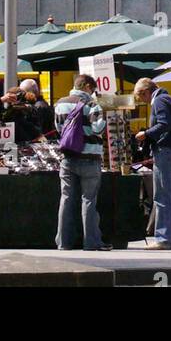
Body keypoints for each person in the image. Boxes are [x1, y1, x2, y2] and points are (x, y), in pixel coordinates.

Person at [53, 74, 108, 252]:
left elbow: (59, 129)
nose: (93, 93)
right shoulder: (92, 104)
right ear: (86, 87)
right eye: (92, 89)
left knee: (66, 199)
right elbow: (98, 128)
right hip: (90, 159)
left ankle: (63, 242)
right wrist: (104, 110)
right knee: (89, 200)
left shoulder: (60, 103)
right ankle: (91, 242)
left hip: (68, 158)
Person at [134, 78, 171, 249]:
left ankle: (163, 238)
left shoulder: (159, 101)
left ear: (146, 92)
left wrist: (145, 134)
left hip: (165, 151)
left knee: (162, 196)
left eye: (141, 97)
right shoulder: (169, 99)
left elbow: (163, 124)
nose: (143, 101)